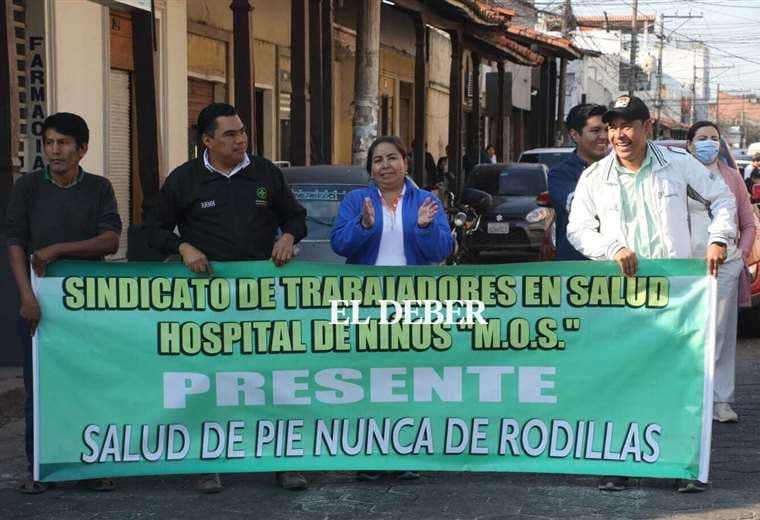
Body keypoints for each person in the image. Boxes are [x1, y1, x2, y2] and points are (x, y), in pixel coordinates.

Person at [567, 96, 737, 494]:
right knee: (623, 378)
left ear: (647, 127)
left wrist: (717, 238)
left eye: (627, 125)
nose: (619, 135)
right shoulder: (594, 177)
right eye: (612, 127)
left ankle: (681, 464)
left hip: (676, 295)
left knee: (679, 380)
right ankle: (619, 463)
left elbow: (723, 198)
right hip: (620, 297)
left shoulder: (677, 165)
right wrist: (612, 248)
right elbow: (578, 229)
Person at [147, 102, 308, 493]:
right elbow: (152, 229)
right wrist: (182, 247)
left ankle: (283, 461)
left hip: (263, 297)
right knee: (210, 381)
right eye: (230, 134)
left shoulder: (265, 173)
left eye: (242, 132)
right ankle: (208, 462)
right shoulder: (184, 180)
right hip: (207, 300)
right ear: (207, 140)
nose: (241, 140)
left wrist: (288, 236)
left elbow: (296, 217)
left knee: (270, 379)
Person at [6, 112, 122, 494]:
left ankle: (91, 465)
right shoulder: (28, 188)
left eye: (63, 143)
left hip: (88, 305)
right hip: (40, 303)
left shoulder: (99, 188)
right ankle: (39, 466)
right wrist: (26, 297)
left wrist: (58, 250)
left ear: (82, 149)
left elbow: (110, 240)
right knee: (40, 388)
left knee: (88, 385)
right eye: (50, 142)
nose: (54, 150)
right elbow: (15, 243)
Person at [330, 135, 451, 480]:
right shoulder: (356, 201)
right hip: (365, 305)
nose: (385, 165)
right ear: (370, 169)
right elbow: (340, 244)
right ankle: (369, 457)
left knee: (408, 381)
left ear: (406, 163)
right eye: (378, 160)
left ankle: (406, 454)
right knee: (368, 381)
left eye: (392, 158)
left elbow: (441, 250)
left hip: (413, 307)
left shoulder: (427, 200)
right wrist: (365, 226)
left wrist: (425, 228)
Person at [686, 121, 755, 424]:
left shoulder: (732, 178)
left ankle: (721, 400)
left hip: (726, 264)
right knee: (689, 331)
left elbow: (748, 220)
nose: (709, 144)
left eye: (714, 138)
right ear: (690, 145)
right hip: (686, 265)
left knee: (722, 331)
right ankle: (690, 397)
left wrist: (740, 252)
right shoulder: (677, 176)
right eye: (702, 138)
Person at [548, 103, 609, 260]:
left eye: (607, 130)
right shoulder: (560, 173)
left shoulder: (619, 168)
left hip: (615, 264)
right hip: (575, 266)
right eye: (595, 130)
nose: (604, 136)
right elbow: (579, 206)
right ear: (575, 135)